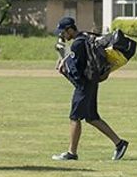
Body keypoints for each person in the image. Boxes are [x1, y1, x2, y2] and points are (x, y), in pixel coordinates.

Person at [52, 16, 129, 161]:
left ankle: (71, 153)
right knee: (92, 117)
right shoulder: (86, 37)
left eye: (63, 32)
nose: (62, 35)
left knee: (74, 117)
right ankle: (119, 143)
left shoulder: (77, 44)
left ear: (70, 30)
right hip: (92, 82)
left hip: (84, 85)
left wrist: (64, 69)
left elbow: (76, 73)